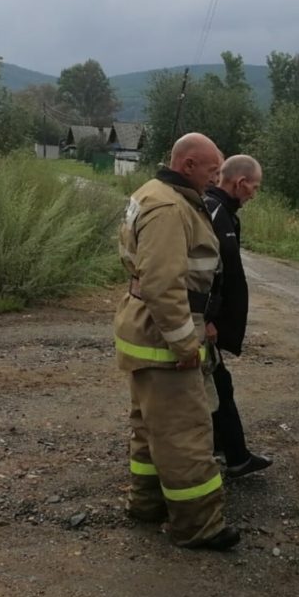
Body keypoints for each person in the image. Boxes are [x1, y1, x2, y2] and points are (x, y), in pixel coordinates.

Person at [114, 132, 240, 551]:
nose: (216, 177)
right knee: (185, 433)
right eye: (211, 169)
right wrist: (186, 344)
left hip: (146, 331)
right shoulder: (170, 207)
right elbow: (163, 284)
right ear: (188, 165)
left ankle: (147, 503)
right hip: (164, 340)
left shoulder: (155, 193)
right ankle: (198, 526)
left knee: (150, 428)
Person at [203, 154, 273, 478]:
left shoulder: (227, 213)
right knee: (217, 387)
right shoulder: (212, 212)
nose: (253, 195)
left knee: (220, 385)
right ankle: (234, 457)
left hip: (211, 324)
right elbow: (202, 274)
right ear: (240, 183)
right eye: (254, 188)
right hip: (204, 324)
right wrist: (206, 319)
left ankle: (230, 452)